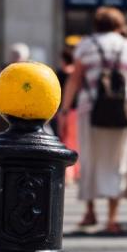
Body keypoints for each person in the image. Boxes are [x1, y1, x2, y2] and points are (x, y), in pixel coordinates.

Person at [60, 6, 127, 234]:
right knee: (117, 162)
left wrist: (63, 110)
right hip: (125, 110)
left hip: (90, 110)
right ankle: (112, 218)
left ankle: (90, 211)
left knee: (90, 159)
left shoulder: (86, 45)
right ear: (119, 24)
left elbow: (74, 80)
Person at [55, 48, 80, 184]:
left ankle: (68, 172)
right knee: (77, 142)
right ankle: (77, 171)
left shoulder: (60, 74)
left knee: (65, 140)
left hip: (65, 111)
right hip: (78, 112)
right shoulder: (77, 73)